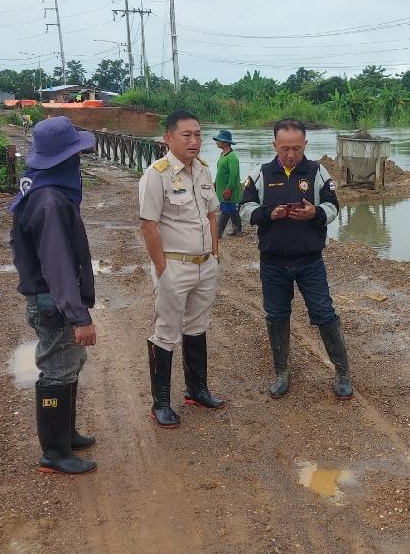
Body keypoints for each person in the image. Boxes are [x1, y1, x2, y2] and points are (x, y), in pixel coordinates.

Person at [239, 119, 353, 399]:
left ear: (305, 145)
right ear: (274, 145)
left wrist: (315, 213)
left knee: (324, 314)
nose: (291, 154)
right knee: (276, 315)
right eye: (285, 148)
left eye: (297, 148)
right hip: (273, 262)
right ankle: (281, 373)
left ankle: (342, 373)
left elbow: (333, 207)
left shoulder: (317, 172)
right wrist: (268, 214)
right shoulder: (261, 173)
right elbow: (245, 208)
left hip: (309, 261)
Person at [10, 117, 98, 476]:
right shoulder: (50, 202)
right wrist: (79, 316)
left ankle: (66, 435)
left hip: (51, 299)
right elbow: (58, 265)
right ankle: (55, 452)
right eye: (75, 155)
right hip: (53, 302)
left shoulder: (39, 190)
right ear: (65, 160)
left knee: (68, 364)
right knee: (57, 371)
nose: (78, 162)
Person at [139, 109, 225, 427]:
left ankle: (197, 390)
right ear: (168, 138)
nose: (194, 141)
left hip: (205, 266)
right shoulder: (156, 174)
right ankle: (160, 403)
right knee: (166, 332)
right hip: (175, 266)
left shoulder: (202, 169)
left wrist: (214, 253)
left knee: (197, 326)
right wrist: (162, 269)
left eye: (198, 135)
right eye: (186, 135)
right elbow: (148, 226)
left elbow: (212, 214)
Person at [213, 128, 243, 237]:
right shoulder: (223, 154)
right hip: (222, 188)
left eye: (219, 140)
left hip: (229, 189)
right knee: (233, 210)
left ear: (225, 143)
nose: (217, 142)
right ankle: (237, 230)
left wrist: (229, 188)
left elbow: (233, 175)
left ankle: (218, 232)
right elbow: (220, 172)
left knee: (225, 210)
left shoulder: (232, 157)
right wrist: (215, 183)